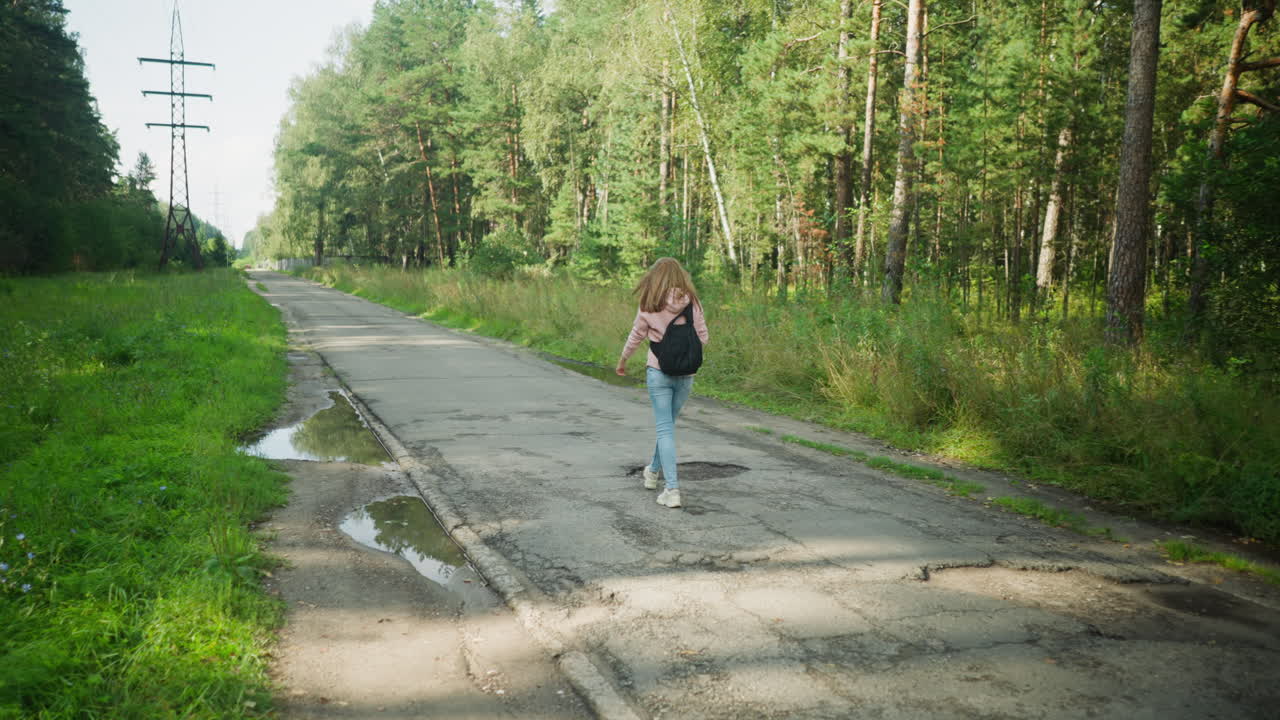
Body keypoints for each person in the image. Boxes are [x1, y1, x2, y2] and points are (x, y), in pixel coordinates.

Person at [615, 257, 709, 509]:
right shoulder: (692, 301)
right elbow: (703, 337)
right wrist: (683, 352)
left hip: (658, 372)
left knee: (665, 429)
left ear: (654, 277)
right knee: (667, 427)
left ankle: (672, 489)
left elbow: (636, 335)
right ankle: (652, 471)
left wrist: (623, 360)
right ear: (681, 277)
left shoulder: (650, 303)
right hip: (686, 374)